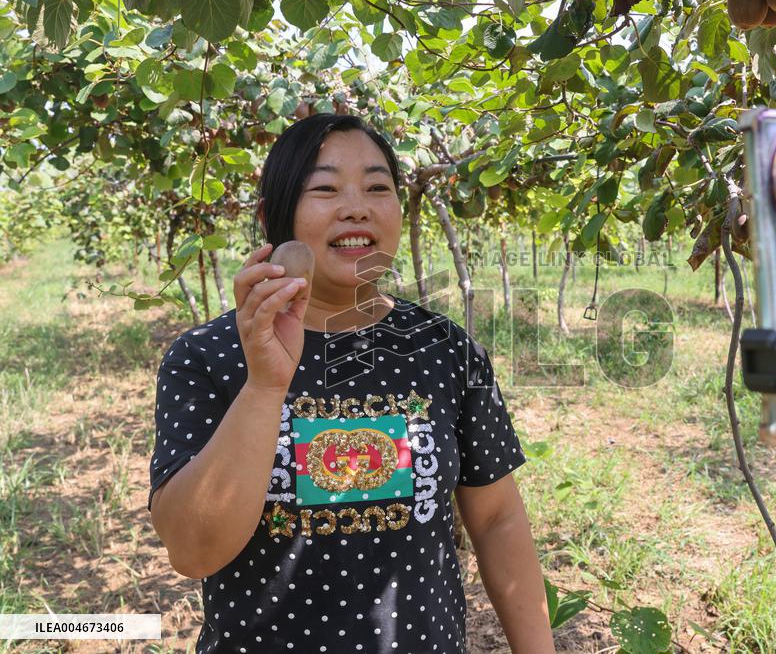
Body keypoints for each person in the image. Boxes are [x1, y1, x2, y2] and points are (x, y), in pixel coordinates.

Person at [147, 114, 555, 653]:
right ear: (275, 216)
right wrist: (266, 387)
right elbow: (192, 551)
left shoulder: (445, 349)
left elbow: (498, 517)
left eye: (377, 186)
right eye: (326, 188)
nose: (357, 206)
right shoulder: (210, 357)